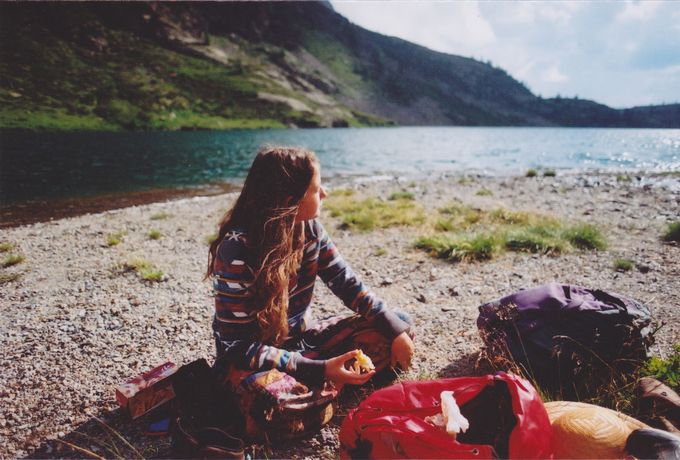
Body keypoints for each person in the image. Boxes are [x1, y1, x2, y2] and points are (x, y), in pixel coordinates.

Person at [206, 146, 415, 439]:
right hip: (254, 361)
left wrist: (395, 331)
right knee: (272, 404)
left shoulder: (311, 229)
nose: (324, 193)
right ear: (290, 199)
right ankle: (326, 387)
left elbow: (347, 283)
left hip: (304, 343)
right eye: (317, 189)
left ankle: (320, 393)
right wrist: (322, 369)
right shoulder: (237, 250)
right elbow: (237, 347)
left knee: (397, 324)